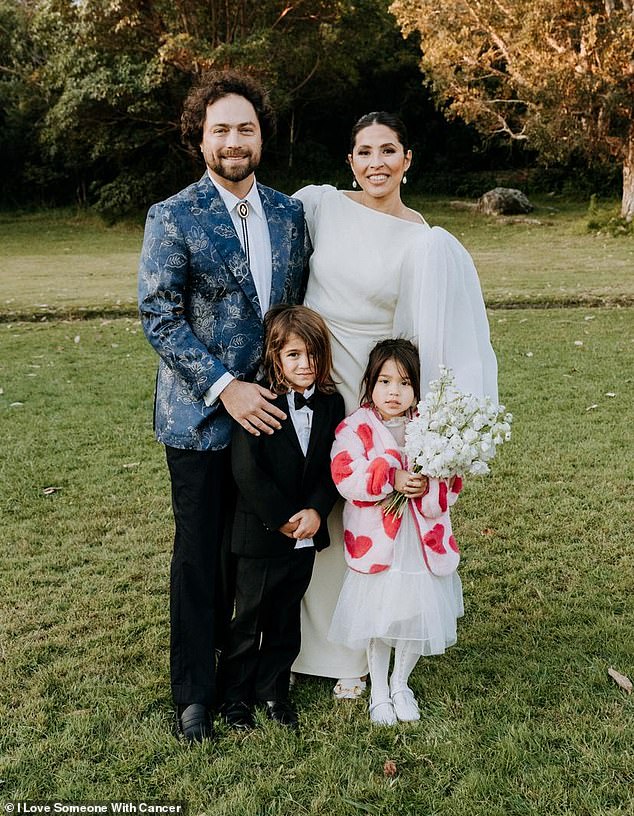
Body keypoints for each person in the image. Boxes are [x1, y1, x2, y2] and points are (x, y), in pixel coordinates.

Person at [291, 111, 498, 697]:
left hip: (374, 380)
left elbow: (419, 329)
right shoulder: (319, 205)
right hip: (311, 369)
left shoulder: (424, 238)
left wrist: (413, 406)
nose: (375, 162)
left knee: (364, 507)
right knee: (311, 499)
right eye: (364, 151)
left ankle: (353, 655)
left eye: (388, 150)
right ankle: (295, 642)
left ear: (408, 159)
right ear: (349, 160)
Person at [138, 71, 310, 742]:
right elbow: (160, 316)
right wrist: (224, 387)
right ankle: (195, 695)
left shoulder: (290, 215)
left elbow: (295, 311)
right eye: (220, 130)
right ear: (199, 139)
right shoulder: (172, 216)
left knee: (258, 553)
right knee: (200, 554)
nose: (233, 141)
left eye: (245, 128)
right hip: (200, 418)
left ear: (261, 135)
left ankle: (254, 681)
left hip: (269, 419)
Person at [217, 305, 345, 731]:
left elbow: (333, 464)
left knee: (285, 618)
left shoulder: (330, 403)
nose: (304, 364)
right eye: (293, 355)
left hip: (306, 534)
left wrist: (315, 510)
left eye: (312, 355)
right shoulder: (257, 400)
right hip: (260, 533)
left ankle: (274, 693)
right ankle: (235, 698)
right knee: (248, 619)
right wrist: (282, 517)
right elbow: (246, 470)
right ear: (274, 356)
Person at [329, 339, 464, 724]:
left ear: (417, 389)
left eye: (405, 383)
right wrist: (390, 475)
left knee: (414, 612)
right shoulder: (355, 428)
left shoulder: (431, 427)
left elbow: (452, 483)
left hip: (420, 541)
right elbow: (344, 476)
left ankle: (401, 681)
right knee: (378, 613)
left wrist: (429, 484)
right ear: (370, 383)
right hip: (378, 541)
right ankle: (380, 690)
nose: (394, 392)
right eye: (385, 381)